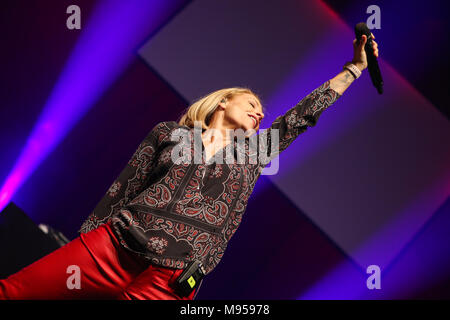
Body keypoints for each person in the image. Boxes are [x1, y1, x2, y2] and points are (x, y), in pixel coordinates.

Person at [0, 34, 379, 300]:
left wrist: (354, 68)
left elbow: (302, 117)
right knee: (13, 291)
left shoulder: (254, 153)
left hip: (170, 278)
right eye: (250, 102)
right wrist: (84, 243)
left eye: (262, 111)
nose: (259, 111)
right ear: (222, 102)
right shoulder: (169, 133)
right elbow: (124, 187)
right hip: (113, 246)